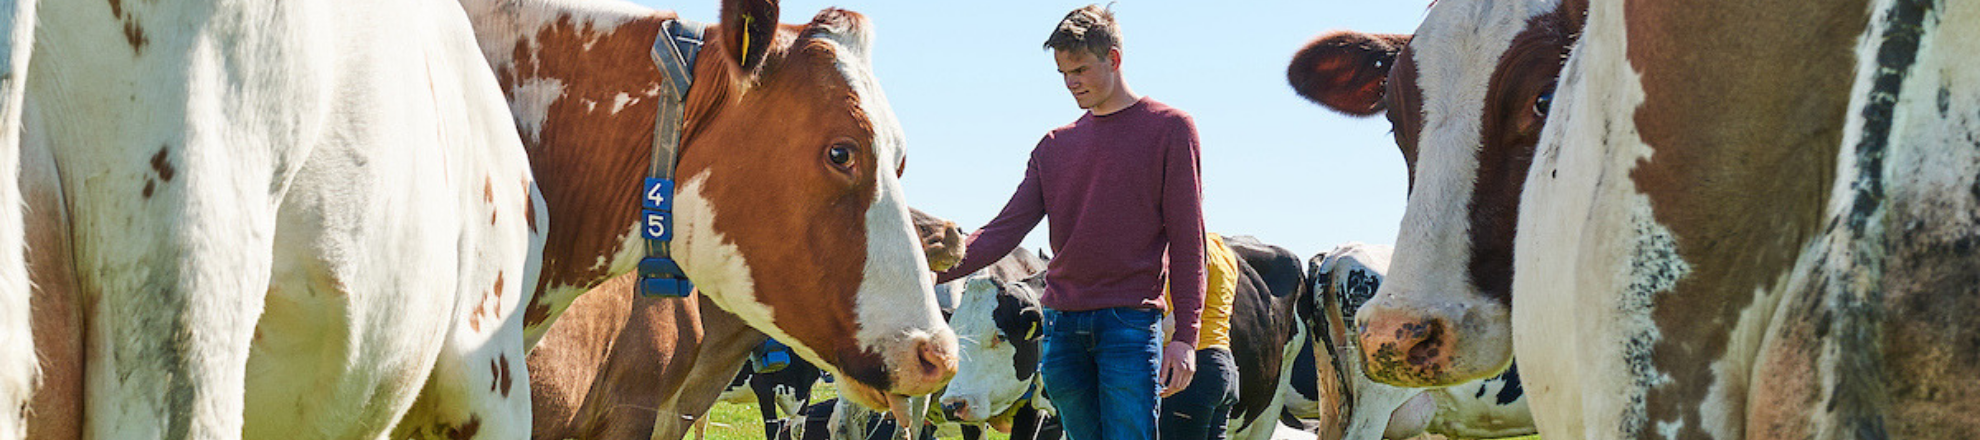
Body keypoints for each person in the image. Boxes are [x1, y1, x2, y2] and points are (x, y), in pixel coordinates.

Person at [934, 5, 1207, 440]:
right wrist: (928, 271)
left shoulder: (1170, 129)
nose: (1070, 82)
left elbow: (1189, 239)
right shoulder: (1054, 146)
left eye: (1080, 70)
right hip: (1060, 328)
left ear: (1113, 59)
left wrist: (1186, 336)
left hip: (1128, 324)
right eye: (1063, 73)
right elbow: (1003, 230)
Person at [1159, 233, 1241, 440]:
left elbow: (1184, 315)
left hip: (1193, 369)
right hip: (1224, 367)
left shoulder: (1190, 250)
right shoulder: (1224, 251)